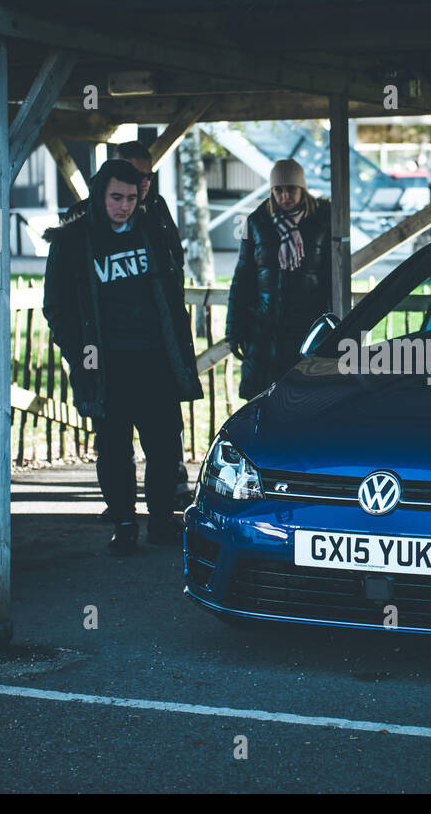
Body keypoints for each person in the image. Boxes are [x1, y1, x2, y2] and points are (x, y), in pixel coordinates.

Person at [43, 160, 203, 555]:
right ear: (100, 195)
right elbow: (56, 306)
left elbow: (172, 290)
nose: (125, 206)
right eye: (117, 197)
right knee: (114, 450)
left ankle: (162, 522)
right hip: (106, 364)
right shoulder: (75, 241)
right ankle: (125, 524)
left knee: (165, 447)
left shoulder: (153, 231)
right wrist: (79, 354)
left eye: (132, 197)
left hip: (155, 359)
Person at [226, 159, 334, 400]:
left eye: (291, 189)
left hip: (307, 330)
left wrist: (333, 326)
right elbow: (243, 278)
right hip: (264, 332)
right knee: (261, 403)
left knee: (304, 401)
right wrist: (234, 329)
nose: (285, 195)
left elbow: (331, 276)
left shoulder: (322, 220)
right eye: (278, 189)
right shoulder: (257, 223)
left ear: (302, 189)